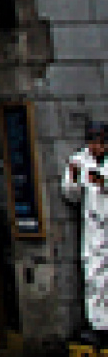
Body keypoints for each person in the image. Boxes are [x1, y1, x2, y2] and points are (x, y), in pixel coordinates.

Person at [64, 123, 108, 344]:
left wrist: (103, 183)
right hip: (94, 228)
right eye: (93, 143)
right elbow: (71, 196)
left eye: (100, 143)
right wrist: (73, 178)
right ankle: (99, 326)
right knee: (94, 276)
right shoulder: (79, 161)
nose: (96, 147)